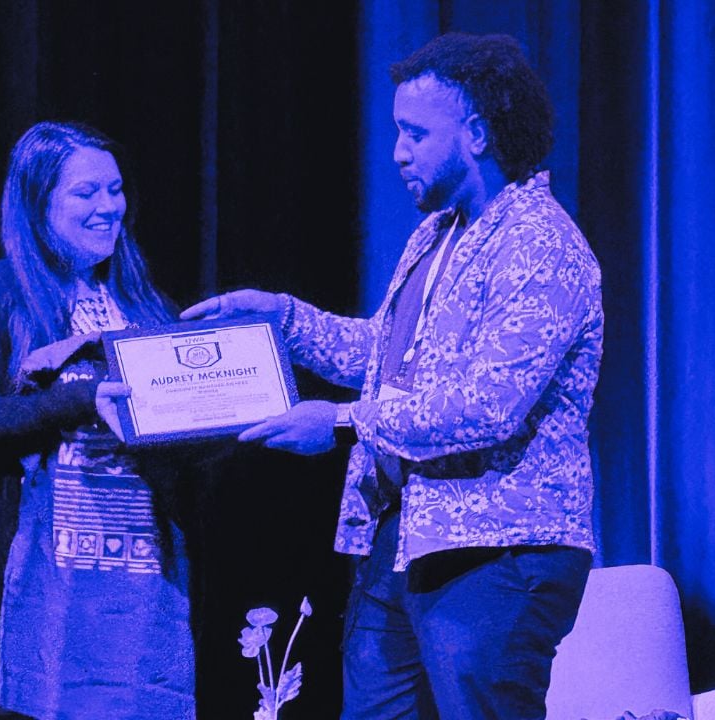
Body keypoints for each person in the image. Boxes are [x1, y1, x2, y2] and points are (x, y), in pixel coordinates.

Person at [181, 33, 603, 719]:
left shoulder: (541, 243)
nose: (398, 152)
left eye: (415, 133)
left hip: (497, 548)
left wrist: (342, 423)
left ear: (476, 134)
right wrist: (281, 318)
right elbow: (383, 358)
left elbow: (488, 404)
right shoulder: (436, 235)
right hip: (404, 536)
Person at [0, 121, 196, 720]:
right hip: (15, 606)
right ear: (37, 201)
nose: (109, 206)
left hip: (133, 607)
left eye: (116, 189)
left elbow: (180, 442)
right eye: (86, 192)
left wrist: (229, 414)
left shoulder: (148, 306)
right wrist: (79, 399)